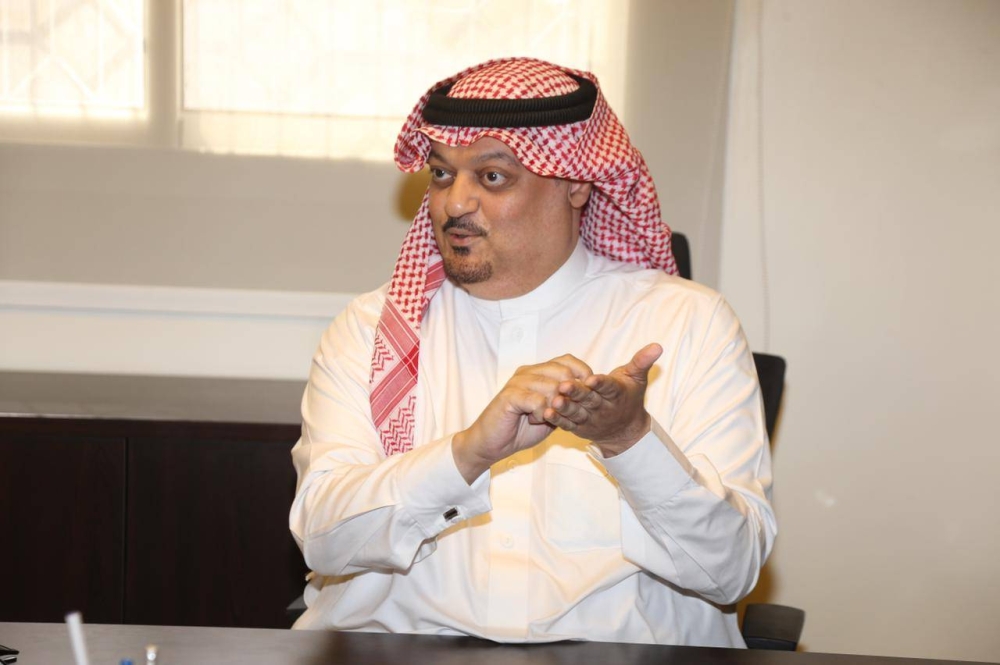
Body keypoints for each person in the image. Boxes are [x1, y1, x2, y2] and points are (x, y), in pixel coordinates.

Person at [289, 57, 776, 647]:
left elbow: (729, 572)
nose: (454, 203)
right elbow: (324, 539)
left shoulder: (687, 324)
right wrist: (466, 454)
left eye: (492, 177)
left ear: (575, 183)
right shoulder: (373, 331)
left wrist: (629, 439)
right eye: (441, 174)